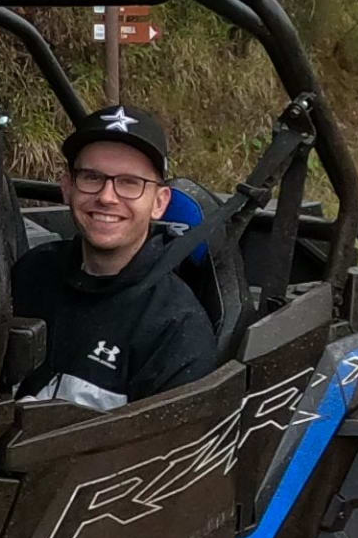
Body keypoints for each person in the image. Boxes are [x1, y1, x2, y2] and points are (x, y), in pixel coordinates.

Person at [14, 101, 215, 410]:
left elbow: (167, 438)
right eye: (92, 177)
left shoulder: (176, 327)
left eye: (129, 183)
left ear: (159, 202)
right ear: (67, 187)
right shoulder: (33, 273)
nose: (107, 197)